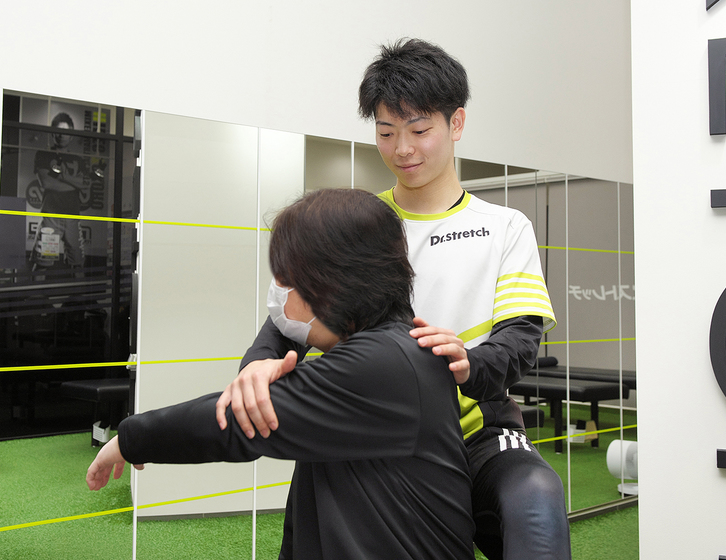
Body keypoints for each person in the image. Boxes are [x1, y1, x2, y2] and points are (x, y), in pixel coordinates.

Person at [219, 39, 572, 560]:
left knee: (536, 499)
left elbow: (520, 339)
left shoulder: (504, 226)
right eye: (386, 133)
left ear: (456, 123)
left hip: (478, 429)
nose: (402, 149)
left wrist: (469, 364)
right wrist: (257, 363)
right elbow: (289, 317)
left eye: (419, 130)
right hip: (374, 425)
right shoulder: (359, 221)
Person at [87, 188, 475, 560]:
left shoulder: (383, 364)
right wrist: (259, 363)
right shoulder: (392, 347)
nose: (278, 290)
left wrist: (130, 440)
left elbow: (235, 423)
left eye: (288, 276)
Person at [31, 112, 88, 269]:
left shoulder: (78, 160)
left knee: (77, 263)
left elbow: (85, 184)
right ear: (52, 133)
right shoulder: (44, 155)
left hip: (72, 217)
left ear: (71, 136)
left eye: (66, 132)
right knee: (42, 263)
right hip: (51, 217)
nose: (62, 135)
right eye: (58, 131)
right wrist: (74, 183)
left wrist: (62, 177)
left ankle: (77, 288)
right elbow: (46, 183)